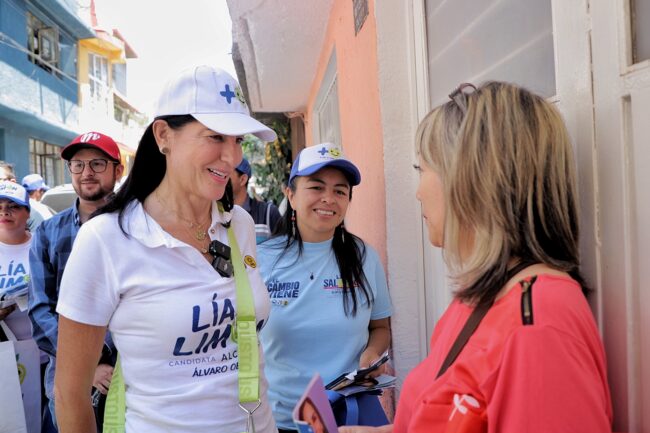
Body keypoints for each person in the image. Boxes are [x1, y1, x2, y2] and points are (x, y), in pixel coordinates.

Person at [341, 82, 613, 433]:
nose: (419, 192)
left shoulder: (539, 326)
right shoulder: (481, 299)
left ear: (470, 178)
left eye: (422, 170)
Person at [53, 65, 279, 433]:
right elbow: (70, 393)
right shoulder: (105, 240)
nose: (232, 156)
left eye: (238, 140)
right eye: (216, 137)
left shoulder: (237, 225)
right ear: (163, 136)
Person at [258, 142, 392, 432]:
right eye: (316, 187)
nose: (329, 198)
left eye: (340, 191)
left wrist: (371, 355)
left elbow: (380, 327)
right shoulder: (261, 260)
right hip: (279, 420)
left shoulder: (364, 257)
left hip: (347, 419)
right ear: (291, 196)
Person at [28, 131, 124, 431]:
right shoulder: (48, 233)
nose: (86, 173)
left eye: (97, 164)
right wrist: (90, 364)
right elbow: (41, 309)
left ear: (117, 170)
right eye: (77, 165)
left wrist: (110, 362)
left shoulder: (136, 228)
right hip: (68, 376)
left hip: (130, 373)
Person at [0, 181, 41, 433]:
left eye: (13, 207)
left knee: (38, 419)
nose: (5, 212)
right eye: (0, 207)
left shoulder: (42, 245)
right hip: (3, 354)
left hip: (43, 355)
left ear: (27, 212)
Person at [232, 157, 282, 243]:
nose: (222, 177)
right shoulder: (216, 215)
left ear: (243, 179)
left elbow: (285, 252)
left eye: (227, 173)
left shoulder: (268, 213)